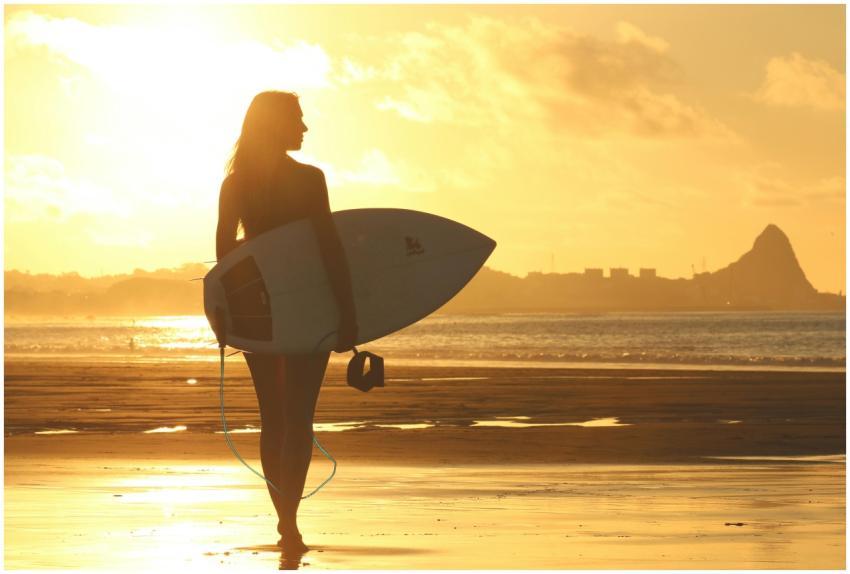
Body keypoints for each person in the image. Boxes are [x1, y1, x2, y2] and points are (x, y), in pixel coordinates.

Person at [215, 91, 358, 553]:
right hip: (309, 310)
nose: (304, 127)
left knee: (274, 419)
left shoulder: (236, 184)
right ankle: (290, 519)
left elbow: (224, 259)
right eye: (298, 118)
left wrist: (230, 317)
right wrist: (348, 313)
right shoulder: (309, 180)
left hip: (261, 315)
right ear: (276, 123)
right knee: (298, 419)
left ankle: (286, 520)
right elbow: (329, 249)